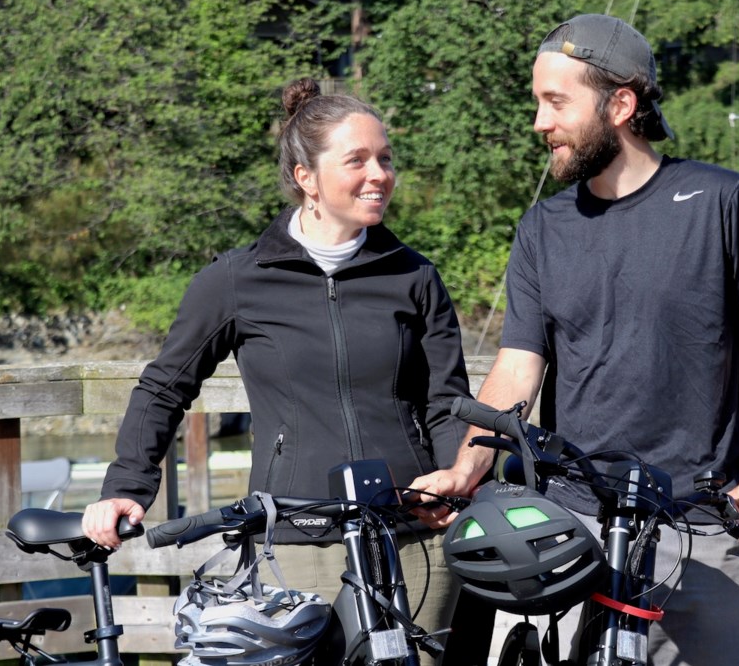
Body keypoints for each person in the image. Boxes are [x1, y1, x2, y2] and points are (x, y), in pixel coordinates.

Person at [411, 14, 739, 666]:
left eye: (556, 102)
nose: (540, 122)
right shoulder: (543, 226)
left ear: (620, 103)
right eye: (538, 102)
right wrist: (465, 469)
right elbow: (517, 368)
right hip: (574, 528)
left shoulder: (722, 201)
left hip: (697, 524)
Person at [82, 77, 471, 657]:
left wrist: (451, 482)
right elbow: (165, 386)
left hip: (413, 539)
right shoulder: (238, 279)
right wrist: (126, 487)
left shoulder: (414, 277)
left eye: (386, 159)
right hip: (294, 541)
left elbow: (445, 399)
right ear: (305, 177)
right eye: (358, 160)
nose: (380, 175)